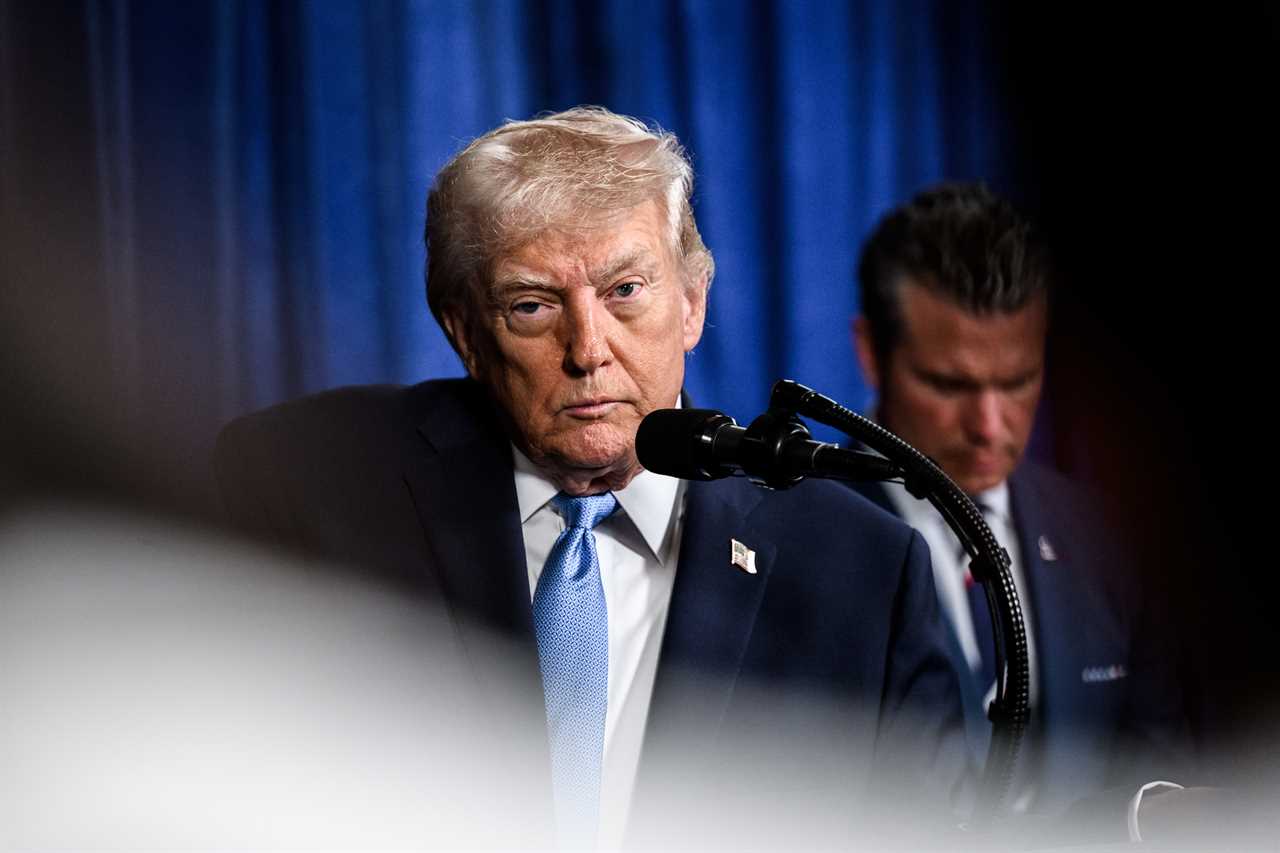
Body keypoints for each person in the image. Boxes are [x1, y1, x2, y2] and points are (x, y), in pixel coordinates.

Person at [214, 108, 967, 848]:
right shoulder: (308, 486)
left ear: (694, 303)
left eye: (625, 291)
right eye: (533, 305)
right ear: (465, 333)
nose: (588, 350)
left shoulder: (864, 575)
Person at [848, 182, 1189, 833]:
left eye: (1018, 380)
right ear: (871, 353)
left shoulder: (1111, 537)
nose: (989, 423)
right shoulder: (795, 538)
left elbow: (1161, 767)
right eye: (950, 383)